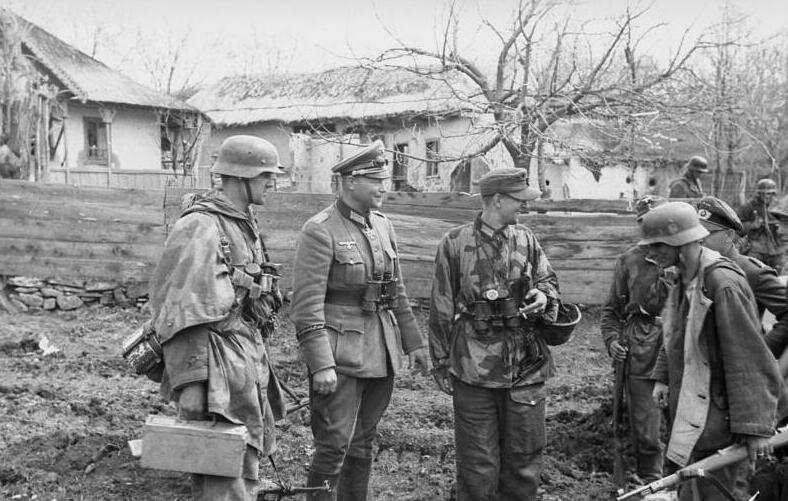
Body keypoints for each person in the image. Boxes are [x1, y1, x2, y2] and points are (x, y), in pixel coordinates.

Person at [147, 135, 287, 500]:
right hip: (214, 370)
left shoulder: (242, 223)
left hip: (242, 362)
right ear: (240, 177)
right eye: (265, 175)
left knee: (244, 463)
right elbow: (179, 310)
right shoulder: (201, 226)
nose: (272, 182)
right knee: (221, 476)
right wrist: (191, 384)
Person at [290, 140, 430, 501]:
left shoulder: (383, 225)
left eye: (385, 179)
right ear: (350, 182)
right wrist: (320, 364)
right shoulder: (320, 230)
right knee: (334, 442)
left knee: (364, 439)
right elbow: (307, 306)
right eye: (375, 179)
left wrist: (413, 343)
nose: (384, 186)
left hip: (380, 350)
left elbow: (395, 290)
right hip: (340, 355)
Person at [428, 167, 579, 501]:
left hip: (525, 367)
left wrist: (544, 296)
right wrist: (440, 362)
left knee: (525, 464)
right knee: (476, 467)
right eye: (518, 200)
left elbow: (548, 281)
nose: (523, 206)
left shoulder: (526, 238)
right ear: (497, 200)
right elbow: (440, 306)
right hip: (473, 369)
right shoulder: (455, 242)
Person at [639, 202, 783, 501]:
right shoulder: (682, 277)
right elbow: (675, 335)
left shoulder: (722, 282)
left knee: (718, 493)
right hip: (690, 410)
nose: (649, 254)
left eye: (657, 246)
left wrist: (755, 429)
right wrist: (663, 376)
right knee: (689, 492)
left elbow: (748, 359)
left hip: (718, 421)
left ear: (681, 242)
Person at [601, 195, 668, 484]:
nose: (651, 227)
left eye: (657, 219)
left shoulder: (690, 257)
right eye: (645, 221)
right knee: (645, 428)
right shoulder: (629, 260)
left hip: (682, 346)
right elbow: (610, 311)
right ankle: (652, 482)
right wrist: (613, 340)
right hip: (641, 351)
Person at [695, 196, 788, 341]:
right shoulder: (697, 269)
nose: (699, 239)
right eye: (696, 232)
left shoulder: (752, 272)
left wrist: (763, 353)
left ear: (729, 235)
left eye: (706, 233)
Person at [738, 178, 784, 272]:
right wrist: (752, 225)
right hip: (756, 249)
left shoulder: (779, 207)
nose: (769, 196)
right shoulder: (748, 207)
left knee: (779, 276)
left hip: (777, 249)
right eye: (766, 193)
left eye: (771, 193)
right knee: (752, 273)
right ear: (759, 193)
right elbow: (737, 228)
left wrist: (781, 227)